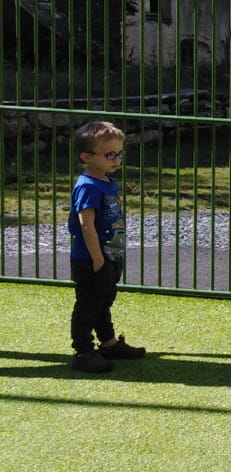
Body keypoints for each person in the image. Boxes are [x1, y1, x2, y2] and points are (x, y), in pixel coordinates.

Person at [66, 121, 145, 373]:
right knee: (88, 304)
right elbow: (86, 225)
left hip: (110, 254)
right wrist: (97, 259)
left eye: (119, 153)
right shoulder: (87, 186)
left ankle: (108, 343)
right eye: (110, 155)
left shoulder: (106, 181)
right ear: (87, 157)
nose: (117, 159)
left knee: (103, 301)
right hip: (92, 258)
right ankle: (83, 351)